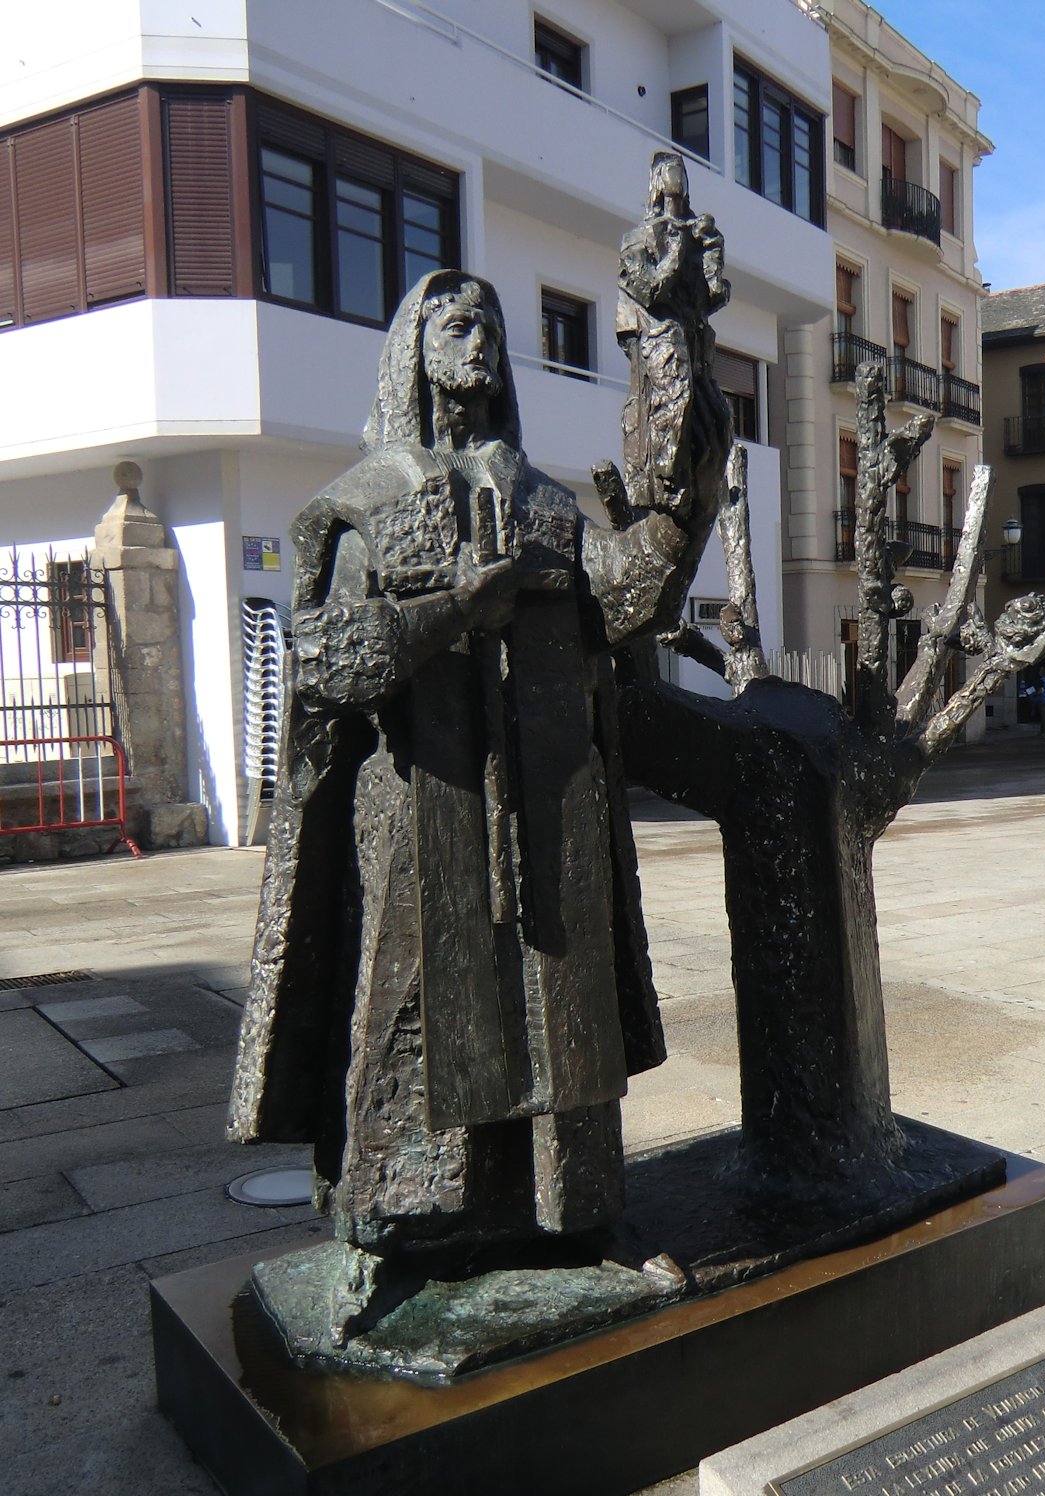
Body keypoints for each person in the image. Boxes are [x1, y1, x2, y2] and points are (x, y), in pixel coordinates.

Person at [228, 181, 731, 1313]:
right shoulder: (363, 506)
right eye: (457, 322)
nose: (482, 340)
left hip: (547, 804)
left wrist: (672, 341)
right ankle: (397, 1233)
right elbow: (333, 662)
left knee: (556, 1005)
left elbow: (639, 586)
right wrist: (457, 607)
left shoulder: (546, 504)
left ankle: (571, 1218)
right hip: (418, 809)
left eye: (492, 327)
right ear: (413, 351)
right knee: (408, 1009)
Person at [1025, 666, 1045, 738]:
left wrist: (1034, 695)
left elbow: (1041, 691)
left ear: (1041, 672)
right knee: (1044, 717)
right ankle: (1042, 732)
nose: (1039, 672)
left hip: (1043, 701)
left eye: (1040, 671)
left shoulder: (1041, 680)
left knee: (1044, 718)